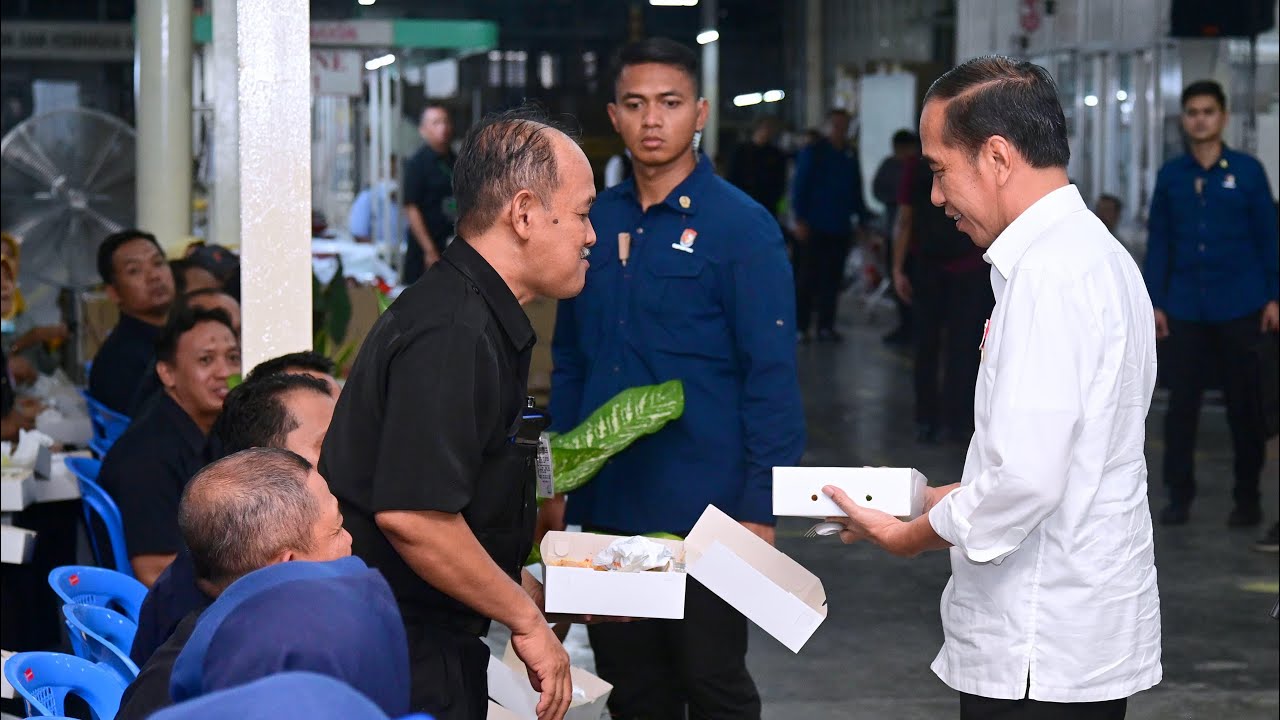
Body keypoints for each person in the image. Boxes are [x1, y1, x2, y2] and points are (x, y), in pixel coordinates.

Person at [825, 56, 1162, 720]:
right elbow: (1063, 460)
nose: (935, 197)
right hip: (1075, 635)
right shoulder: (1096, 254)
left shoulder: (1047, 277)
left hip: (1037, 646)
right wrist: (920, 497)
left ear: (999, 158)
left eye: (941, 170)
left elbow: (1027, 482)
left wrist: (910, 534)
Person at [544, 38, 805, 720]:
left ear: (700, 112)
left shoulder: (742, 229)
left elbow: (770, 377)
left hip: (709, 510)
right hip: (609, 511)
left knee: (712, 680)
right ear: (614, 115)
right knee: (635, 691)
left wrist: (759, 510)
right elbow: (570, 361)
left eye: (669, 103)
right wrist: (556, 483)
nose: (652, 120)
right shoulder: (592, 222)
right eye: (635, 104)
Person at [320, 105, 597, 720]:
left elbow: (462, 507)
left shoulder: (473, 314)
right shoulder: (453, 331)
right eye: (581, 213)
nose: (590, 235)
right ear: (523, 213)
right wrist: (527, 622)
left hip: (428, 631)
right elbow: (416, 515)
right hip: (402, 647)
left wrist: (548, 592)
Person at [116, 447, 358, 720]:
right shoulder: (253, 690)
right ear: (288, 565)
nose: (349, 540)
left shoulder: (214, 636)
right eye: (336, 530)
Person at [130, 371, 338, 667]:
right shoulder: (208, 614)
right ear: (264, 462)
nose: (343, 456)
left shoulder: (232, 548)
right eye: (326, 444)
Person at [1143, 79, 1279, 528]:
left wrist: (1274, 295)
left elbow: (1269, 239)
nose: (1199, 118)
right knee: (1182, 409)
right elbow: (1159, 243)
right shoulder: (1171, 176)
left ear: (1222, 117)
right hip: (1184, 309)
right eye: (1192, 112)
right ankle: (1178, 498)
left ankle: (1247, 498)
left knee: (1246, 410)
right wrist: (1156, 302)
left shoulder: (1248, 171)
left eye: (1207, 111)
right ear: (1184, 119)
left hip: (1241, 306)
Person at [98, 307, 240, 586]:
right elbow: (155, 571)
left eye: (233, 357)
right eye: (206, 359)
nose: (225, 372)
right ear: (167, 373)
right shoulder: (147, 458)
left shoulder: (210, 428)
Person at [892, 140, 993, 444]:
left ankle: (927, 420)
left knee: (927, 346)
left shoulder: (916, 164)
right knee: (963, 348)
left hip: (931, 266)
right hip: (967, 266)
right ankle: (956, 421)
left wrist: (897, 268)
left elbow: (905, 219)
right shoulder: (975, 156)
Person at [88, 229, 177, 414]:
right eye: (134, 270)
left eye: (158, 263)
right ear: (113, 292)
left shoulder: (174, 336)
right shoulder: (120, 360)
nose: (154, 276)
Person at [873, 129, 920, 346]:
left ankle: (914, 327)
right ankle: (905, 325)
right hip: (895, 229)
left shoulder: (918, 166)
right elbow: (877, 190)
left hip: (916, 237)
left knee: (912, 280)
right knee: (898, 278)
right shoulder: (891, 166)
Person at [402, 102, 457, 285]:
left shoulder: (457, 161)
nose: (443, 127)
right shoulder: (417, 164)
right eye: (435, 123)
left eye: (445, 122)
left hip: (453, 246)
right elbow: (411, 208)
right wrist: (429, 250)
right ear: (423, 130)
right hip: (425, 249)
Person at [727, 116, 787, 218]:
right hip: (744, 201)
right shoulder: (741, 151)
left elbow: (780, 181)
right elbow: (732, 176)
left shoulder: (776, 154)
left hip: (767, 204)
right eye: (766, 128)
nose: (768, 132)